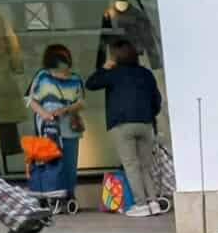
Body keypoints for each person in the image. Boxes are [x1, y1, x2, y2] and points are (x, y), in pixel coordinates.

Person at [86, 38, 164, 216]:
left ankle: (141, 204)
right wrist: (149, 115)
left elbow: (91, 84)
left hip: (122, 125)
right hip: (145, 124)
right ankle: (154, 202)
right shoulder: (145, 74)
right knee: (145, 166)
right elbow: (157, 101)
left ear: (116, 57)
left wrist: (105, 67)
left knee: (131, 165)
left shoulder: (113, 73)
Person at [25, 43, 85, 206]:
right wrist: (45, 114)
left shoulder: (76, 78)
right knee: (50, 162)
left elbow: (81, 102)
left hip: (69, 127)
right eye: (59, 68)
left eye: (65, 67)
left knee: (70, 164)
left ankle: (69, 196)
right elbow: (30, 99)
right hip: (48, 128)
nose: (63, 72)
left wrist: (66, 109)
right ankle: (51, 194)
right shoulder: (42, 76)